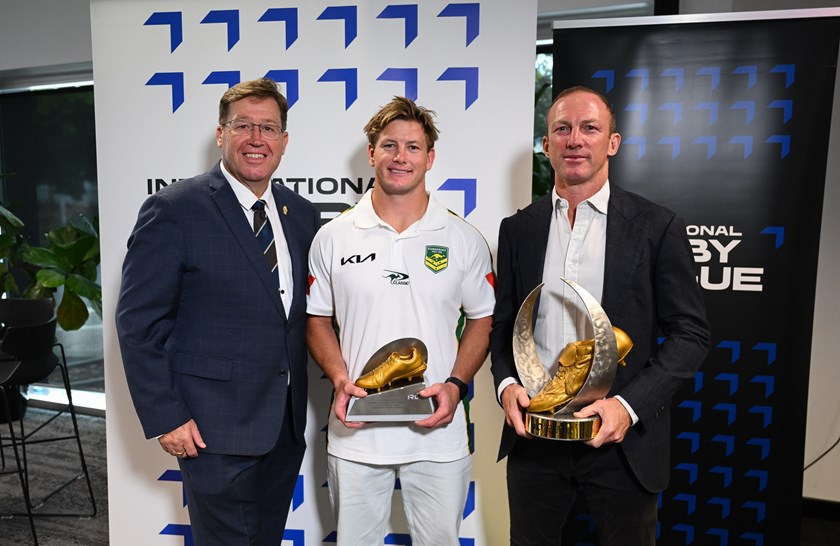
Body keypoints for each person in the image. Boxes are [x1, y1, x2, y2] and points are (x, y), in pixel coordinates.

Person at [490, 85, 710, 545]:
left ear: (612, 142)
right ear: (545, 144)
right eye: (561, 129)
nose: (575, 140)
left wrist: (626, 409)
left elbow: (690, 334)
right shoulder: (517, 230)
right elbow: (505, 324)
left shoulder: (656, 227)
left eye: (589, 128)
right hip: (535, 437)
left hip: (621, 440)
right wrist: (507, 385)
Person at [116, 77, 320, 545]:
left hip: (284, 429)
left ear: (284, 141)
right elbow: (138, 324)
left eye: (268, 128)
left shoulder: (301, 213)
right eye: (243, 125)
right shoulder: (174, 209)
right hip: (212, 430)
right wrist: (166, 416)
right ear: (220, 133)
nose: (256, 139)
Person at [306, 96, 495, 545]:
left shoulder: (464, 239)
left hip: (437, 433)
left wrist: (457, 384)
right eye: (389, 146)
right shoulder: (333, 236)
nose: (400, 157)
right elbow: (317, 320)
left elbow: (483, 320)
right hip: (356, 433)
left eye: (412, 147)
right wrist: (338, 377)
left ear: (430, 158)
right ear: (371, 153)